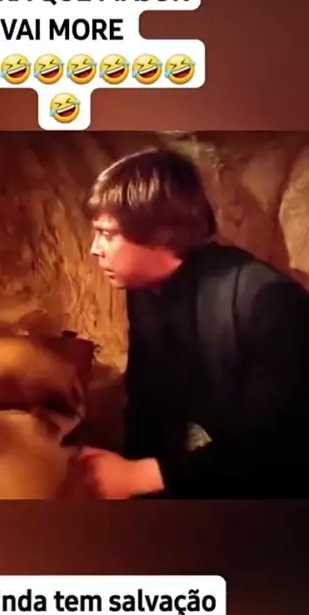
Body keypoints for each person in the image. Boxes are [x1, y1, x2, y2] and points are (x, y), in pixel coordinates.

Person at [81, 148, 309, 499]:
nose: (95, 249)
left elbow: (281, 446)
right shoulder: (147, 290)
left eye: (107, 234)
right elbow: (150, 405)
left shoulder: (266, 302)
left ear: (161, 233)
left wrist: (142, 476)